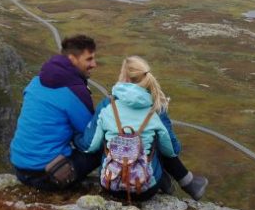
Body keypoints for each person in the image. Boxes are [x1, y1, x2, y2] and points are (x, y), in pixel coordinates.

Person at [82, 56, 208, 201]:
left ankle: (177, 182)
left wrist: (76, 138)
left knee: (107, 139)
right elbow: (172, 151)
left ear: (125, 78)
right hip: (145, 189)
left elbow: (90, 146)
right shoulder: (155, 108)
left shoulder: (107, 105)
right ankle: (179, 182)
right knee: (156, 143)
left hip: (110, 185)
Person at [9, 35, 103, 190]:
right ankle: (112, 185)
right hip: (46, 176)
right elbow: (90, 138)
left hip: (20, 169)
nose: (94, 64)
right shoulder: (74, 92)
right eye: (89, 59)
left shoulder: (36, 81)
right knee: (103, 144)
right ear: (72, 59)